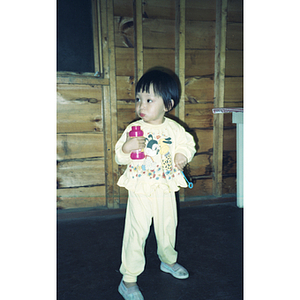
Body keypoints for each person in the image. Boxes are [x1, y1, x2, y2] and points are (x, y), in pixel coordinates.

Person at [115, 69, 196, 300]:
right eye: (138, 99)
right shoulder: (133, 129)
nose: (142, 105)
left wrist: (182, 155)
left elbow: (187, 144)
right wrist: (126, 148)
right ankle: (128, 279)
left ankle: (168, 261)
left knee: (167, 227)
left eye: (149, 100)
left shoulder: (174, 129)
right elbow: (119, 157)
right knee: (136, 231)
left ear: (167, 105)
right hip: (140, 188)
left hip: (164, 187)